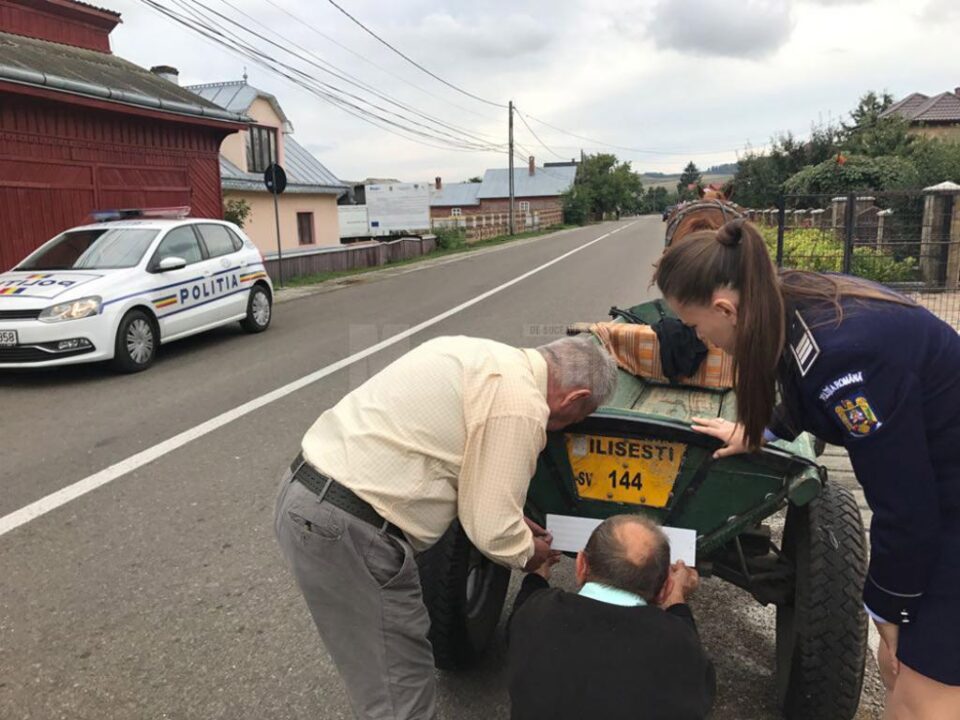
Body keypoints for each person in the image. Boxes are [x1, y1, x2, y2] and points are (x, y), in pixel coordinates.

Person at [654, 218, 960, 718]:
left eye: (693, 326)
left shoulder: (848, 363)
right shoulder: (787, 298)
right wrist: (761, 432)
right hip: (938, 489)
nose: (700, 338)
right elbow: (800, 377)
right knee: (900, 672)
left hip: (948, 510)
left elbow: (905, 509)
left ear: (724, 308)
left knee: (916, 701)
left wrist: (888, 610)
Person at [274, 334, 618, 720]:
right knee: (399, 696)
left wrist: (500, 512)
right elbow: (493, 532)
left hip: (306, 493)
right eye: (576, 418)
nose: (565, 425)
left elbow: (452, 457)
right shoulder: (522, 405)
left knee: (375, 669)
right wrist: (530, 552)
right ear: (574, 399)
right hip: (353, 529)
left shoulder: (472, 352)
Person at [507, 514, 715, 720]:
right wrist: (677, 595)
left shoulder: (535, 614)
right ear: (664, 589)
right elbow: (700, 687)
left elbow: (528, 599)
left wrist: (538, 572)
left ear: (580, 566)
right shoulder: (681, 649)